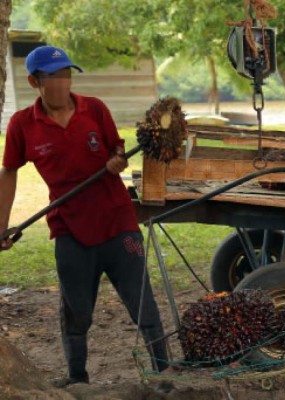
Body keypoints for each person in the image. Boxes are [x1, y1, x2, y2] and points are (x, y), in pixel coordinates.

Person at [0, 46, 170, 388]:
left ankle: (164, 373)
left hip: (118, 223)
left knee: (142, 302)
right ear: (34, 81)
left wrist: (116, 160)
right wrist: (1, 227)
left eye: (67, 75)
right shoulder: (22, 125)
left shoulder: (95, 109)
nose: (62, 84)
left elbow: (117, 149)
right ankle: (78, 378)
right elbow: (9, 172)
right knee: (76, 310)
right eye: (53, 77)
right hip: (69, 228)